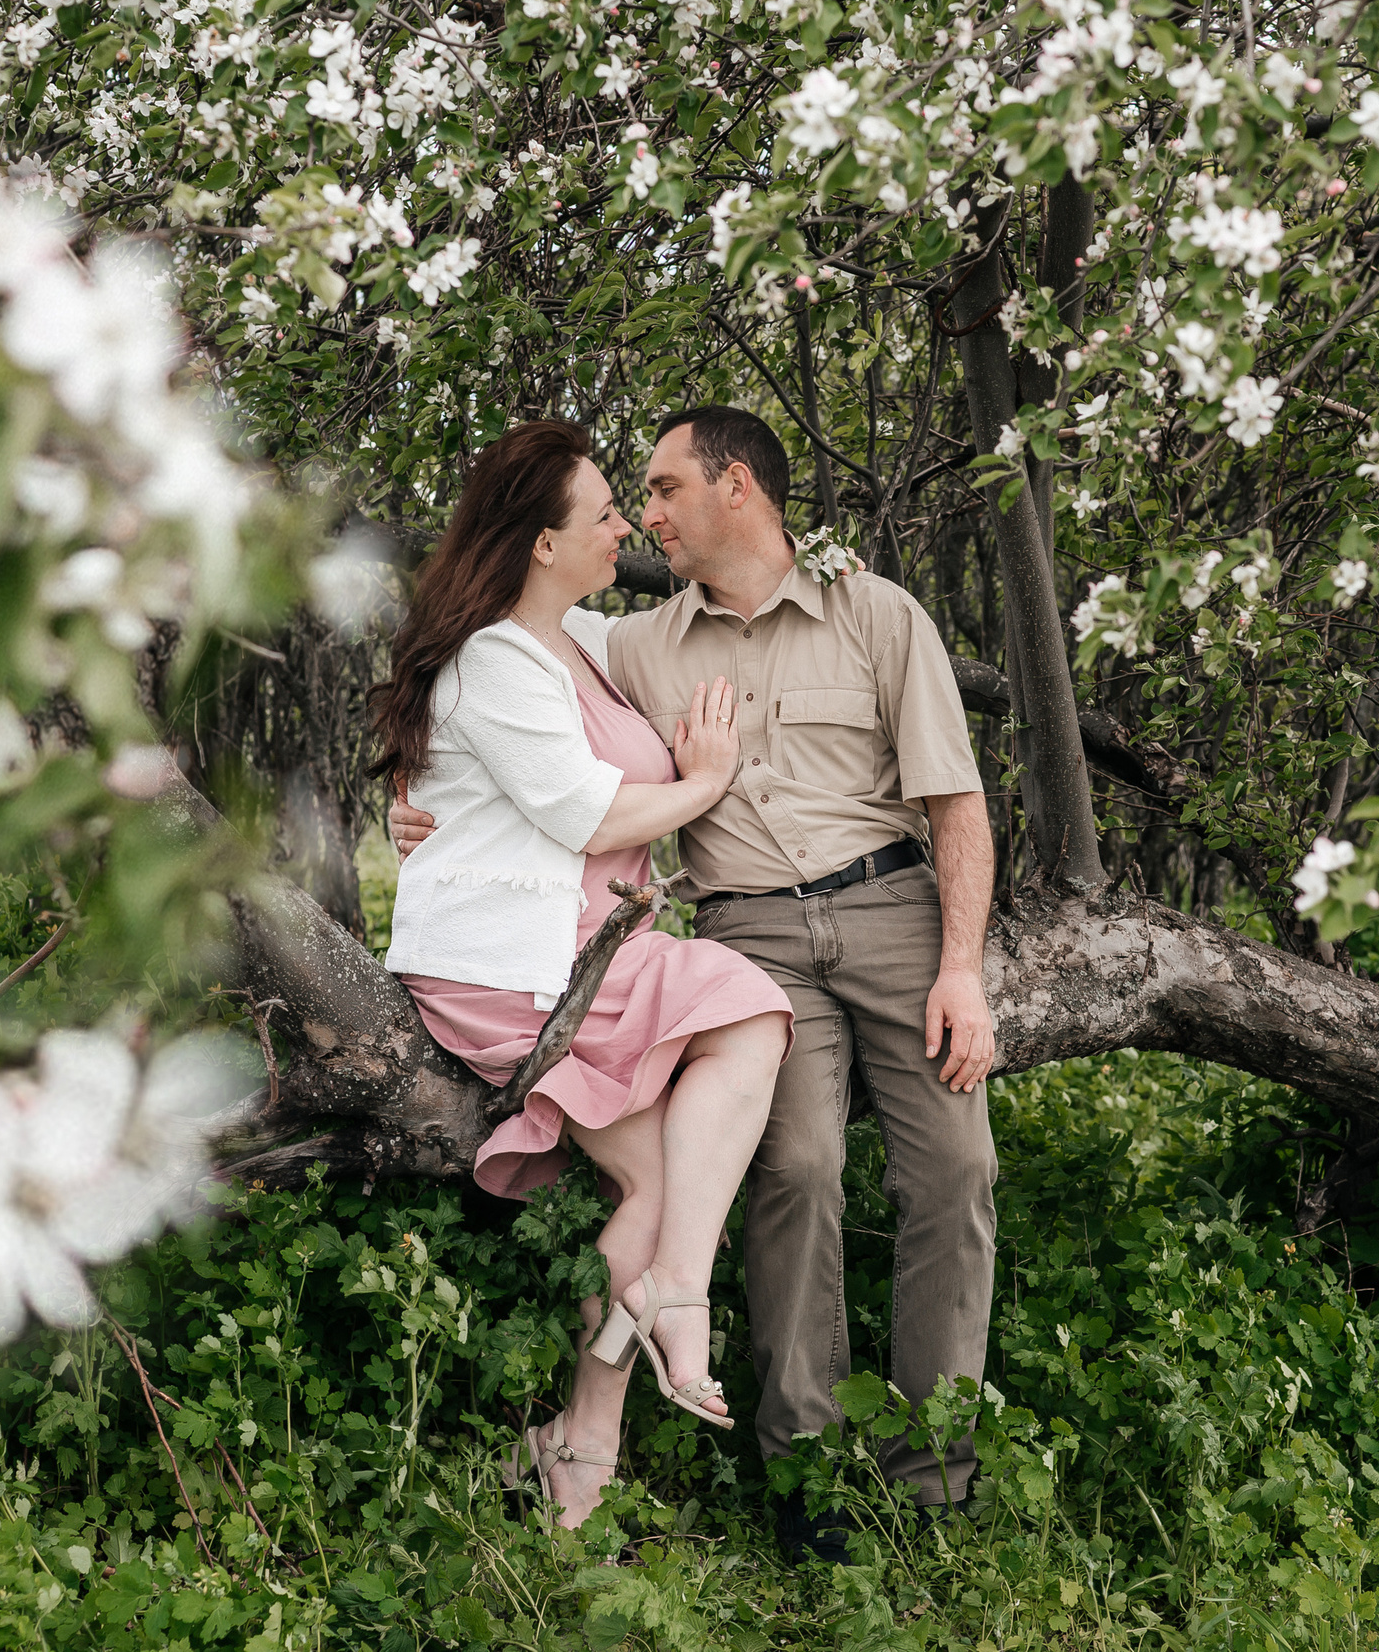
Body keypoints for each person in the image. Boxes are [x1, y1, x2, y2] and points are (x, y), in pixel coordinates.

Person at [392, 406, 998, 1560]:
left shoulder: (876, 614)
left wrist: (960, 969)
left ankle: (934, 1478)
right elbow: (491, 680)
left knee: (957, 1174)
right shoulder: (633, 643)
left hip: (892, 912)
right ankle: (809, 1479)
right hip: (745, 930)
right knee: (796, 1167)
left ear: (737, 488)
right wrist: (416, 803)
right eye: (626, 502)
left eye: (663, 490)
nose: (643, 517)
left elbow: (955, 802)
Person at [367, 418, 792, 1530]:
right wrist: (705, 785)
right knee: (723, 1065)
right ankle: (658, 1329)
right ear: (542, 544)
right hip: (512, 968)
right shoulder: (494, 658)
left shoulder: (583, 642)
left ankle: (591, 1426)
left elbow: (698, 618)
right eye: (605, 514)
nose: (625, 527)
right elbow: (584, 813)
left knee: (680, 1157)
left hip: (592, 953)